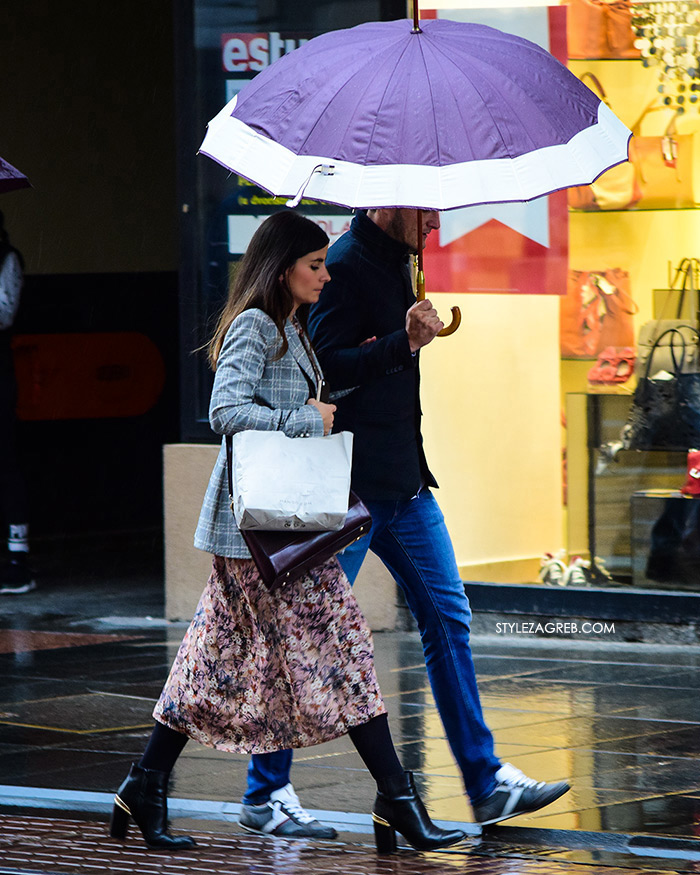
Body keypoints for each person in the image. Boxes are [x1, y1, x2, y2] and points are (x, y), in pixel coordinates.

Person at [110, 211, 465, 855]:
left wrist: (405, 342)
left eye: (326, 264)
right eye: (315, 265)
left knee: (212, 663)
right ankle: (396, 800)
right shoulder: (255, 326)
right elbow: (225, 411)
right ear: (283, 269)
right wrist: (305, 418)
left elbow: (324, 385)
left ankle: (146, 781)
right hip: (263, 530)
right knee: (345, 650)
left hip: (276, 528)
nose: (326, 276)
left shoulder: (292, 329)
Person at [240, 207, 570, 830]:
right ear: (390, 201)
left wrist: (407, 335)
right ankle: (264, 793)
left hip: (405, 482)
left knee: (449, 619)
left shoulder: (401, 262)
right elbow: (327, 368)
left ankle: (485, 780)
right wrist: (405, 341)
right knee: (304, 630)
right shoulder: (343, 265)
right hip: (348, 486)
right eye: (427, 208)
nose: (438, 222)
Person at [0, 211, 35, 595]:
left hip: (1, 376)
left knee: (6, 462)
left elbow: (5, 312)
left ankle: (18, 559)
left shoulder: (6, 258)